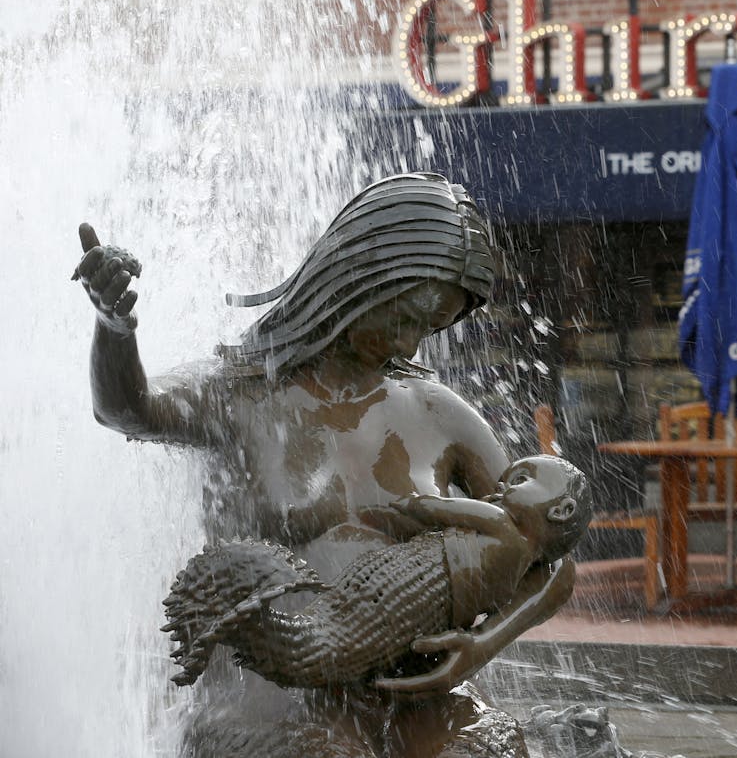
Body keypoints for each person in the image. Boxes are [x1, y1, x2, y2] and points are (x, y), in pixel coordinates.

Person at [73, 172, 568, 758]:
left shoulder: (438, 412)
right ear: (365, 276)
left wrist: (481, 646)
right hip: (272, 689)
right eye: (410, 318)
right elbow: (127, 410)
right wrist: (115, 329)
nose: (412, 346)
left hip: (408, 692)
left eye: (431, 329)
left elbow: (550, 552)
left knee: (487, 749)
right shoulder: (241, 393)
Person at [164, 455, 592, 691]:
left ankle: (227, 616)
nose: (498, 489)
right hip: (405, 610)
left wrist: (397, 505)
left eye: (518, 479)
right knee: (324, 643)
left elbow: (432, 508)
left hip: (396, 591)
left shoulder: (500, 524)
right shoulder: (516, 571)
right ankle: (237, 624)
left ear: (561, 509)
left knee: (323, 637)